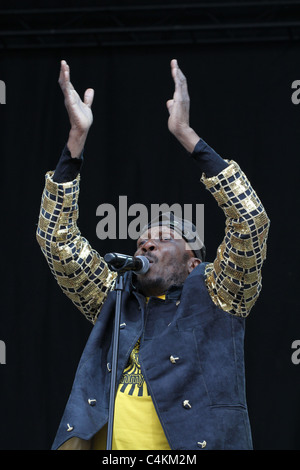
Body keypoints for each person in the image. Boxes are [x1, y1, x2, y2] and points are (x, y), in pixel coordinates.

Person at [36, 59, 270, 450]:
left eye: (164, 238)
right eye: (142, 240)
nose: (146, 244)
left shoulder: (220, 294)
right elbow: (55, 238)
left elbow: (250, 221)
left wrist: (186, 135)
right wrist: (75, 141)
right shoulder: (115, 297)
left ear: (195, 261)